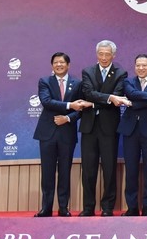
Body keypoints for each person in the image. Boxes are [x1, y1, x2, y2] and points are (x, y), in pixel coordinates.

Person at [33, 52, 92, 217]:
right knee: (48, 172)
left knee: (65, 171)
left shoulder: (77, 84)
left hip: (67, 132)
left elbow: (80, 110)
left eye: (62, 62)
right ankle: (46, 208)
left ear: (68, 65)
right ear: (52, 65)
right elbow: (47, 102)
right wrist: (69, 105)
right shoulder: (45, 81)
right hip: (47, 133)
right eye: (56, 62)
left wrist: (67, 118)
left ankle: (63, 208)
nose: (59, 65)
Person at [79, 40, 130, 217]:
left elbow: (118, 95)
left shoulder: (121, 73)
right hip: (89, 126)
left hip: (109, 127)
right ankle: (88, 207)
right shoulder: (87, 71)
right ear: (96, 54)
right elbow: (88, 93)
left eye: (107, 54)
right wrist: (108, 99)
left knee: (109, 169)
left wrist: (100, 100)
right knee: (88, 169)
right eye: (101, 54)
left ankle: (108, 207)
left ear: (113, 56)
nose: (103, 57)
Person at [117, 54, 147, 217]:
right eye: (138, 65)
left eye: (144, 65)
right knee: (131, 169)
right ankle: (131, 207)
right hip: (130, 130)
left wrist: (135, 101)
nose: (141, 68)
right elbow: (131, 93)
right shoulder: (128, 81)